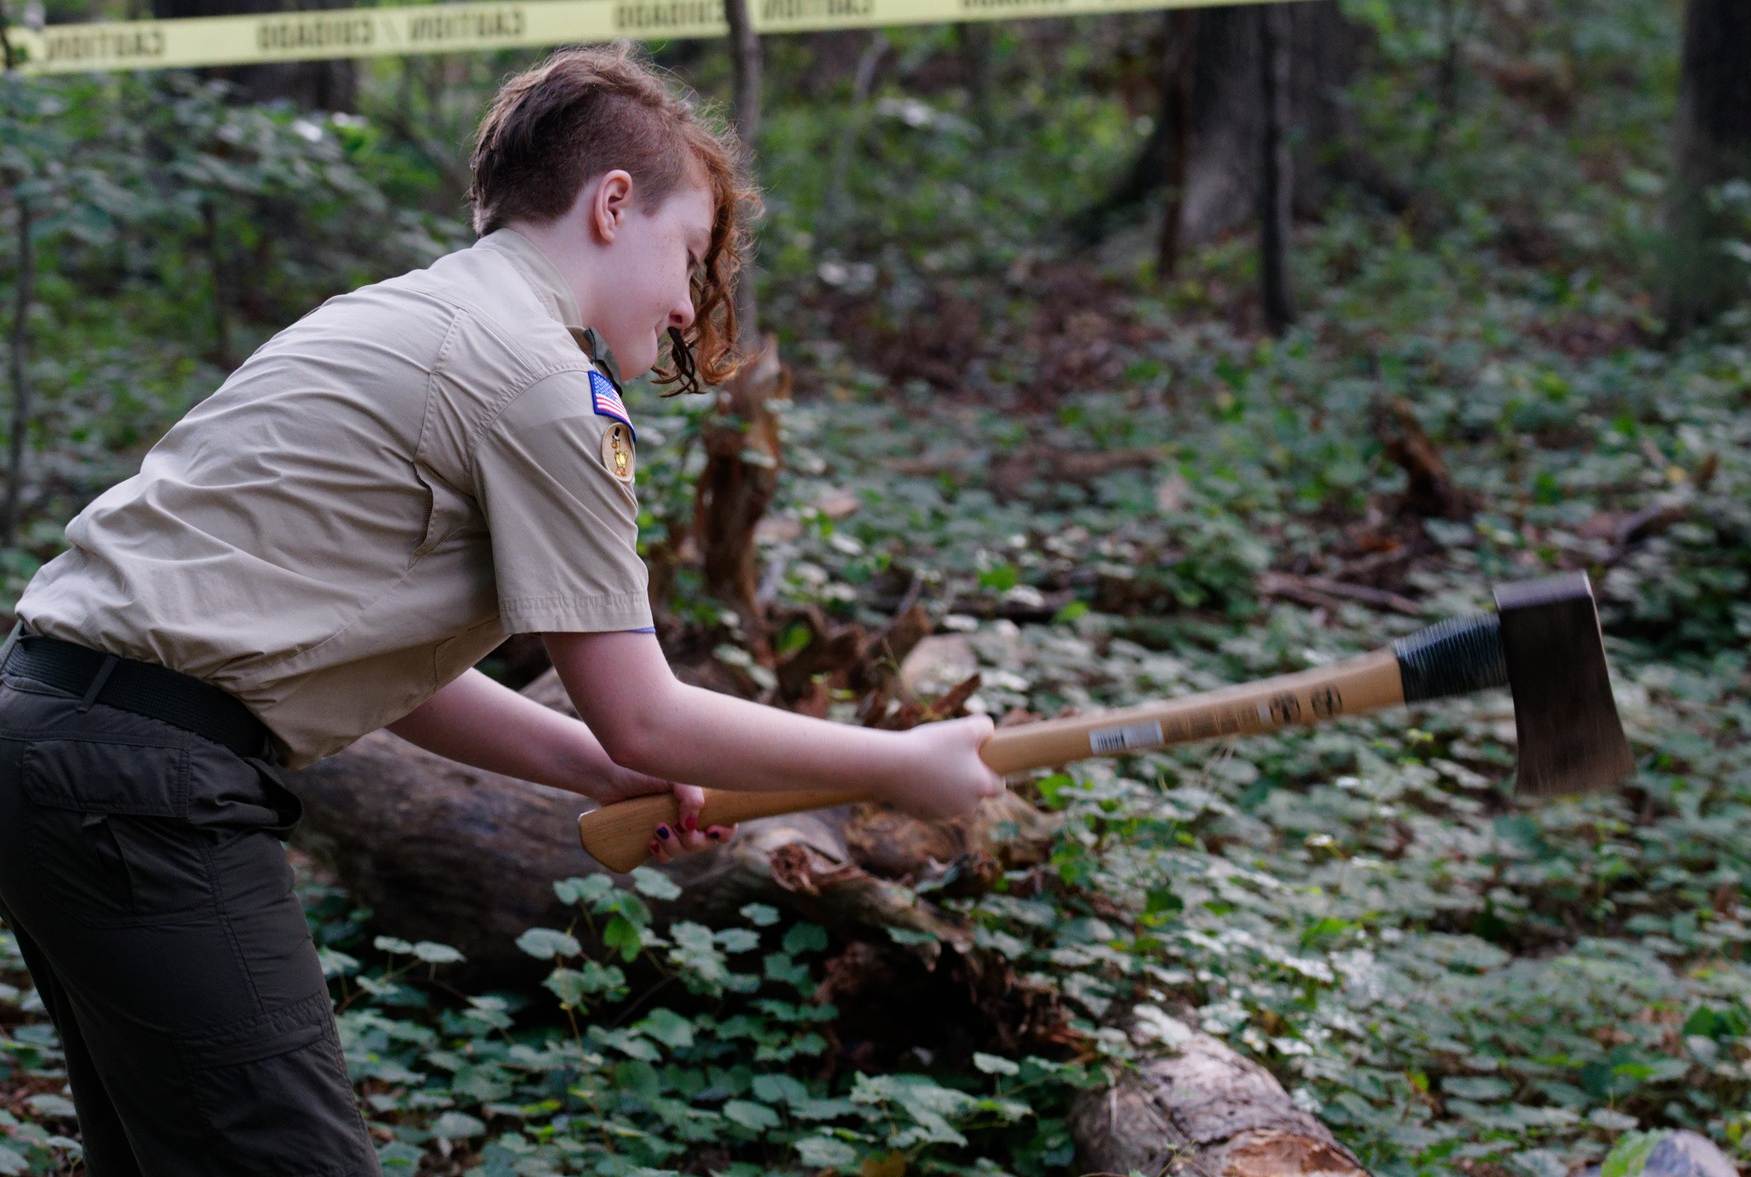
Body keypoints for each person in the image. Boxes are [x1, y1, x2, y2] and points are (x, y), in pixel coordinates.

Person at [0, 43, 1004, 1177]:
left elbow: (396, 675)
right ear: (612, 204)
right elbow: (651, 719)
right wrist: (898, 762)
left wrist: (588, 767)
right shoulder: (535, 380)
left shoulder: (406, 316)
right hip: (143, 789)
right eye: (688, 253)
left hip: (49, 743)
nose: (687, 300)